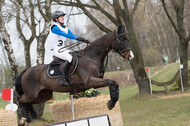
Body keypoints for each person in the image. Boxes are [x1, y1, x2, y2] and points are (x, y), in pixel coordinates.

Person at [46, 11, 89, 86]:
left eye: (63, 16)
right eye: (61, 17)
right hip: (56, 50)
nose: (63, 18)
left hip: (62, 49)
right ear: (56, 19)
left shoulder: (65, 28)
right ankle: (63, 79)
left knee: (75, 55)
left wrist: (82, 40)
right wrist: (76, 37)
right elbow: (66, 35)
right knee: (69, 57)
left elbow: (72, 35)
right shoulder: (55, 27)